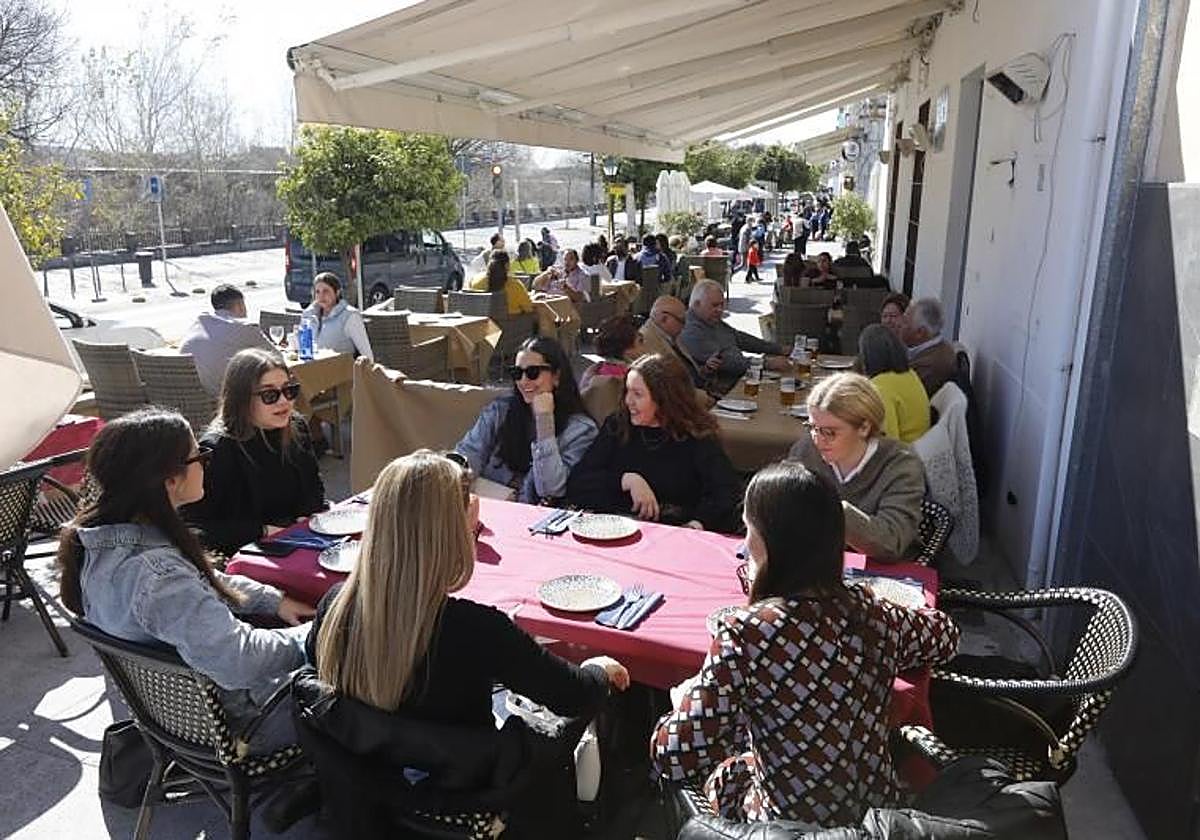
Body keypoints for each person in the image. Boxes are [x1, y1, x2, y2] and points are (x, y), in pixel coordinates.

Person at [308, 451, 629, 831]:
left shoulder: (335, 606)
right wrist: (599, 669)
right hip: (459, 800)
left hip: (369, 795)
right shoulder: (475, 630)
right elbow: (575, 694)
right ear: (453, 534)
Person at [651, 461, 959, 825]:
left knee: (721, 762)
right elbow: (946, 636)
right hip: (875, 819)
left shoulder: (746, 633)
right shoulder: (871, 614)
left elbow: (673, 754)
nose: (745, 545)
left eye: (749, 530)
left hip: (787, 827)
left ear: (769, 543)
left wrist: (682, 702)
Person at [58, 408, 314, 750]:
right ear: (170, 480)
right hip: (242, 728)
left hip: (176, 717)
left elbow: (201, 581)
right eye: (200, 457)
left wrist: (274, 600)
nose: (206, 464)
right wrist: (319, 633)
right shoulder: (157, 576)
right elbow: (241, 661)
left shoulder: (98, 543)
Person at [568, 354, 741, 533]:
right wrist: (626, 480)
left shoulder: (696, 436)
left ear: (664, 399)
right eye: (627, 391)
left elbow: (726, 495)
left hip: (677, 533)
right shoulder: (618, 426)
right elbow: (578, 483)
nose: (628, 401)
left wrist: (696, 524)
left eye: (638, 394)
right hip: (617, 530)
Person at [182, 348, 328, 556]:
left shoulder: (296, 427)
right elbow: (195, 527)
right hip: (245, 555)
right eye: (270, 394)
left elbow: (314, 488)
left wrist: (307, 517)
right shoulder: (218, 449)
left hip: (299, 541)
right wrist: (262, 531)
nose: (284, 401)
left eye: (289, 390)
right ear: (242, 400)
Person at [787, 373, 926, 561]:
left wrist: (831, 510)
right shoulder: (805, 450)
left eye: (830, 432)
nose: (818, 440)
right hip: (818, 564)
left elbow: (892, 543)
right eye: (812, 427)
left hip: (885, 573)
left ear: (864, 428)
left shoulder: (901, 465)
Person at [455, 336, 597, 503]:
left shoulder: (581, 430)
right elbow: (469, 454)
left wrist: (545, 421)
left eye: (532, 373)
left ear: (556, 376)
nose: (523, 381)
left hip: (537, 515)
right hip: (490, 504)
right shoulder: (500, 411)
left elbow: (550, 489)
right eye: (517, 373)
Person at [679, 280, 790, 396]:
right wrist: (767, 363)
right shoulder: (691, 330)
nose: (720, 310)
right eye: (714, 305)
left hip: (740, 379)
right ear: (697, 304)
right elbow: (728, 362)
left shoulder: (711, 320)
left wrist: (779, 349)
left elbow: (740, 338)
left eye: (722, 305)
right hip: (723, 389)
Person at [178, 284, 275, 396]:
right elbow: (277, 358)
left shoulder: (198, 324)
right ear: (239, 305)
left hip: (191, 398)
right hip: (228, 401)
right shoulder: (244, 328)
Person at [858, 324, 931, 443]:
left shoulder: (880, 387)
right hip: (918, 445)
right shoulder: (909, 374)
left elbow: (888, 442)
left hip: (904, 455)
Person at [639, 295, 706, 388]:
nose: (684, 326)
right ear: (664, 318)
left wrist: (704, 370)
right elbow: (669, 387)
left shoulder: (671, 336)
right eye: (681, 321)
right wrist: (705, 399)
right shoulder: (646, 341)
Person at [303, 272, 373, 359]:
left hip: (341, 369)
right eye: (317, 292)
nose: (321, 296)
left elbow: (368, 357)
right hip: (310, 367)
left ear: (337, 292)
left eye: (326, 291)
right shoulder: (308, 315)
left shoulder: (350, 316)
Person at [903, 297, 959, 397]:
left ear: (920, 333)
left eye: (905, 322)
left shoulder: (931, 365)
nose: (900, 325)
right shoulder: (936, 348)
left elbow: (902, 393)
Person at [580, 315, 643, 390]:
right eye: (640, 341)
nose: (643, 346)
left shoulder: (595, 372)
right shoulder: (627, 381)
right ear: (627, 350)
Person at [468, 250, 534, 315]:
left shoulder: (475, 279)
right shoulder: (514, 285)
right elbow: (529, 308)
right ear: (507, 265)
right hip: (510, 323)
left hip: (483, 323)